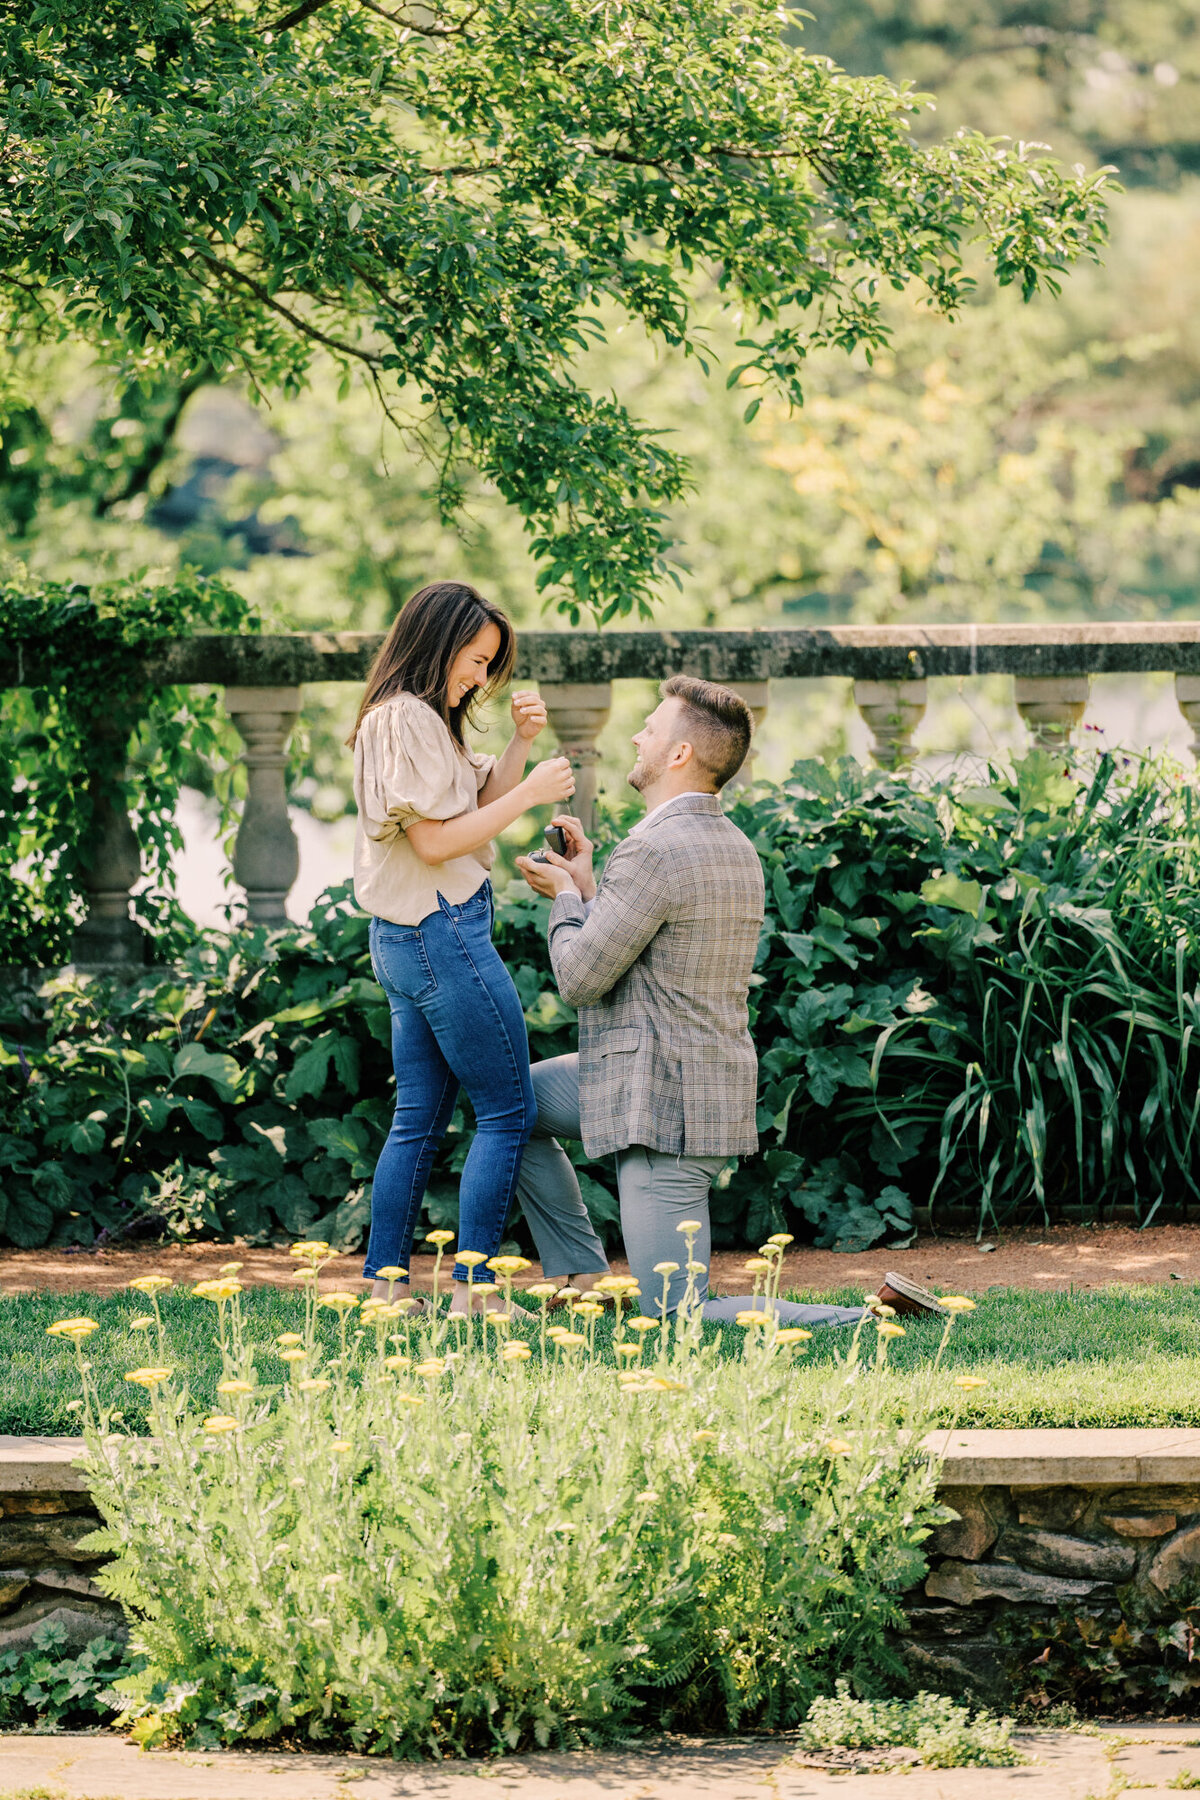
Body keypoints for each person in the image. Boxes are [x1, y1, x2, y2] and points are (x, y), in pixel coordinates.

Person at [514, 674, 946, 1327]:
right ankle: (583, 1279)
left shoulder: (653, 849)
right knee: (511, 1106)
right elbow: (646, 948)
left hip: (666, 1108)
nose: (636, 735)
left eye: (651, 729)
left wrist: (566, 899)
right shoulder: (731, 845)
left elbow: (579, 978)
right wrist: (586, 882)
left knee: (678, 1315)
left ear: (680, 754)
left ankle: (872, 1319)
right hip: (672, 1077)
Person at [350, 580, 575, 1315]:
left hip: (408, 937)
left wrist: (519, 747)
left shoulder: (415, 720)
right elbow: (438, 838)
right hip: (443, 933)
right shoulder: (407, 719)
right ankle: (475, 1290)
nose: (479, 679)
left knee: (417, 1118)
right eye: (475, 661)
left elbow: (471, 808)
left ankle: (387, 1289)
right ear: (437, 640)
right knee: (507, 1110)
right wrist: (534, 792)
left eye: (487, 666)